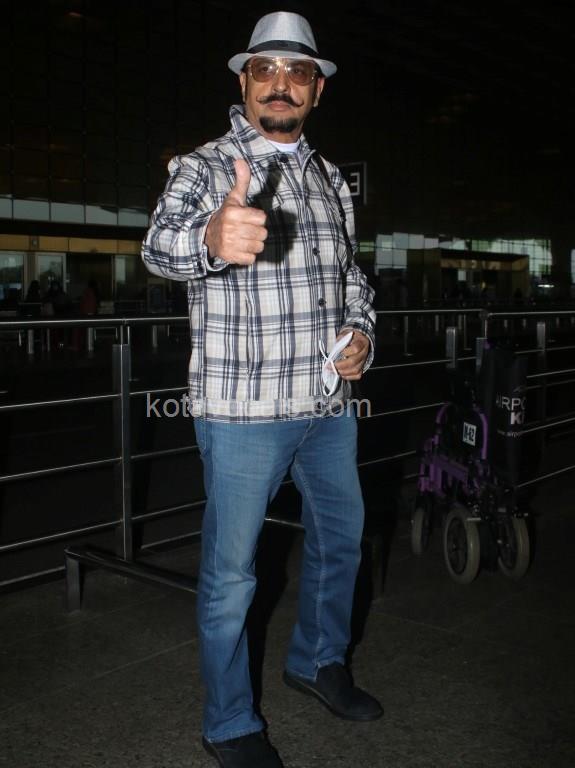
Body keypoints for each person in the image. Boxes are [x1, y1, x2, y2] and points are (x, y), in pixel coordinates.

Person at [142, 11, 381, 768]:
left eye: (297, 72)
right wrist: (210, 241)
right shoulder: (206, 166)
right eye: (265, 70)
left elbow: (351, 276)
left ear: (316, 90)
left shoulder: (330, 179)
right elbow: (158, 247)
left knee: (341, 542)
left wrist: (360, 332)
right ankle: (229, 723)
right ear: (244, 82)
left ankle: (317, 662)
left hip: (327, 406)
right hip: (243, 412)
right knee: (231, 577)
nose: (281, 84)